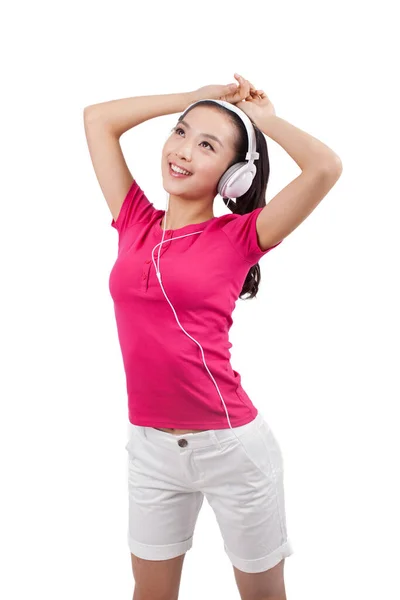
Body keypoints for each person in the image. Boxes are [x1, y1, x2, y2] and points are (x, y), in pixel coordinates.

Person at [84, 73, 342, 600]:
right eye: (180, 133)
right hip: (151, 450)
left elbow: (325, 168)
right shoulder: (134, 220)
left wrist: (264, 122)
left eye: (207, 145)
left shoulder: (240, 237)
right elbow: (98, 119)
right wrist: (192, 100)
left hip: (232, 449)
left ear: (233, 177)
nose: (182, 151)